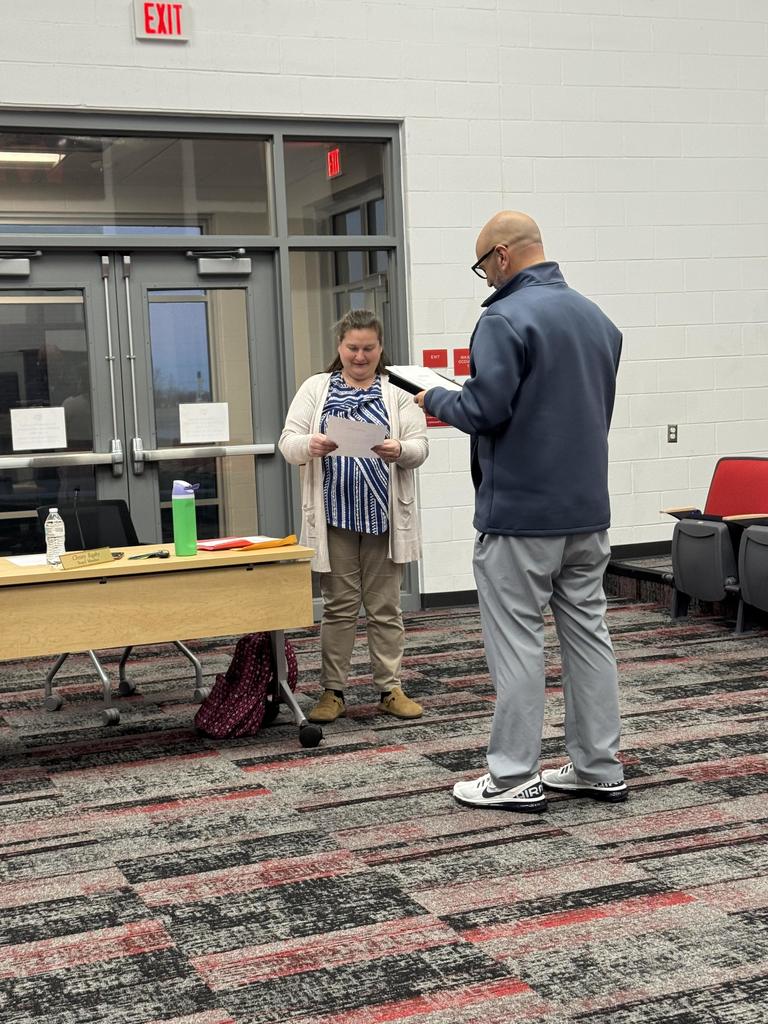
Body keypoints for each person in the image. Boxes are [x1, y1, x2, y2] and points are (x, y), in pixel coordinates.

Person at [414, 211, 627, 812]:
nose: (483, 280)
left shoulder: (505, 317)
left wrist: (433, 395)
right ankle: (598, 766)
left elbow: (485, 410)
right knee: (589, 639)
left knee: (518, 644)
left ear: (502, 255)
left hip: (520, 517)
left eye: (483, 266)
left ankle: (512, 775)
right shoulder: (598, 320)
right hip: (586, 512)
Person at [280, 309, 428, 724]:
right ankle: (333, 691)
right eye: (352, 348)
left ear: (380, 349)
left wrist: (401, 450)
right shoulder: (316, 388)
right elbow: (287, 442)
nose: (359, 357)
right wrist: (310, 444)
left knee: (385, 608)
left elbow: (420, 447)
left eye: (368, 348)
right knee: (339, 607)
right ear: (339, 348)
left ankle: (390, 688)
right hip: (335, 520)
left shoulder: (397, 390)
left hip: (384, 520)